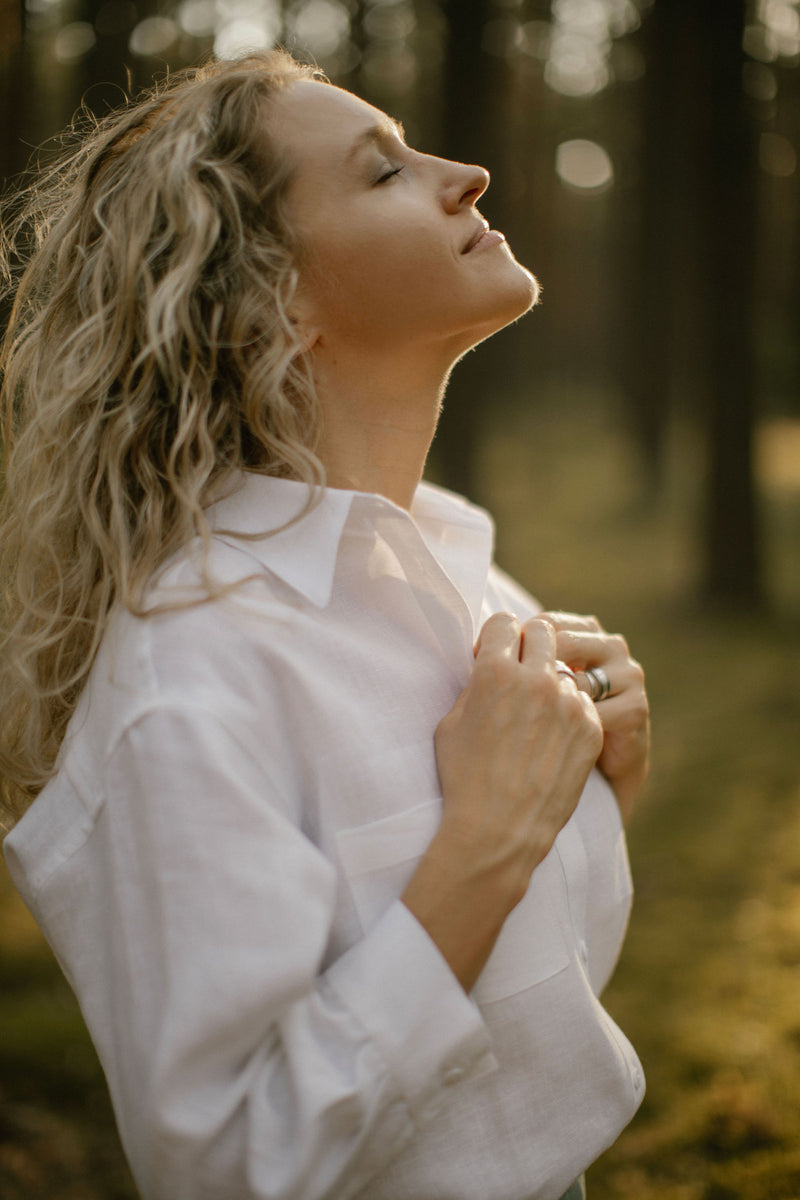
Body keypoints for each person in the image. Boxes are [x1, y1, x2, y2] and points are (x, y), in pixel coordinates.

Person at [0, 50, 649, 1200]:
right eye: (383, 172)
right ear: (269, 298)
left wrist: (589, 786)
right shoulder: (190, 674)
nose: (469, 173)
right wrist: (488, 839)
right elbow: (230, 1169)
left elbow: (526, 1028)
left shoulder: (464, 576)